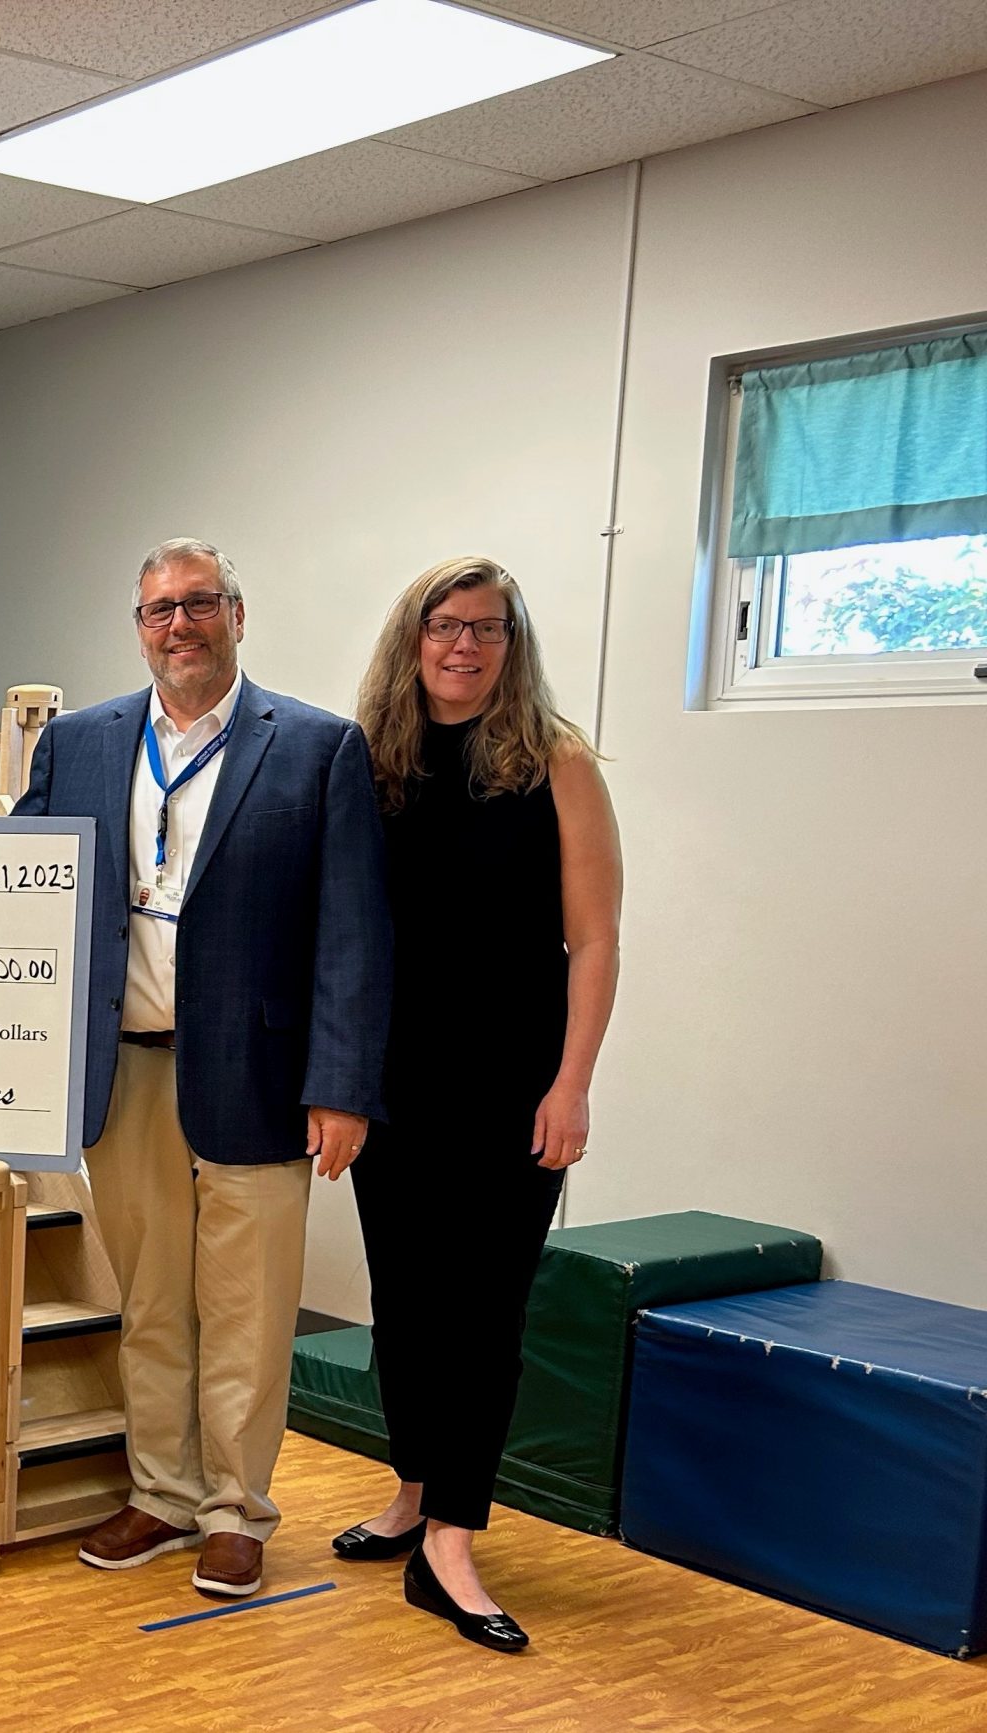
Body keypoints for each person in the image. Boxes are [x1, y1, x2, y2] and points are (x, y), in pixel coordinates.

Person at [14, 537, 391, 1600]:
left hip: (259, 1075)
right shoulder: (79, 742)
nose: (178, 624)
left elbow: (353, 932)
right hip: (124, 1070)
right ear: (138, 627)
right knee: (149, 1301)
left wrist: (342, 1085)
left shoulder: (318, 746)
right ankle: (163, 1491)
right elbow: (17, 880)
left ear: (236, 614)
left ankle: (235, 1508)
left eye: (198, 603)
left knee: (248, 1309)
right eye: (158, 609)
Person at [331, 557, 622, 1652]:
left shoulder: (557, 763)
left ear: (513, 644)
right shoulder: (370, 762)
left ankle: (451, 1540)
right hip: (392, 1085)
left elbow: (594, 938)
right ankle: (413, 1490)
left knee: (484, 1312)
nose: (465, 645)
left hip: (513, 1086)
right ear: (412, 639)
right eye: (446, 625)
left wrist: (572, 1083)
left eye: (488, 628)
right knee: (403, 1301)